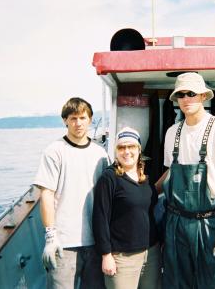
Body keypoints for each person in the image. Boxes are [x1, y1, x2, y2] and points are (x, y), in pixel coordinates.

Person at [156, 72, 215, 288]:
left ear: (204, 96)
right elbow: (171, 173)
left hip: (210, 222)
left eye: (191, 94)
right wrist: (143, 191)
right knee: (177, 282)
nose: (186, 99)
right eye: (181, 95)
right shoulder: (171, 133)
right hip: (175, 222)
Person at [33, 97, 109, 289]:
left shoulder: (100, 154)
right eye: (73, 118)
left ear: (90, 119)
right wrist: (51, 236)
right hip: (63, 243)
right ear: (65, 120)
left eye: (82, 117)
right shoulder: (54, 151)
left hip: (95, 241)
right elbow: (47, 194)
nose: (78, 123)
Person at [93, 127, 161, 289]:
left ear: (139, 149)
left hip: (150, 253)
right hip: (122, 257)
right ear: (116, 151)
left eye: (131, 147)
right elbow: (100, 218)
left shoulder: (145, 177)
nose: (126, 152)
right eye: (122, 147)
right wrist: (106, 255)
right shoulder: (109, 178)